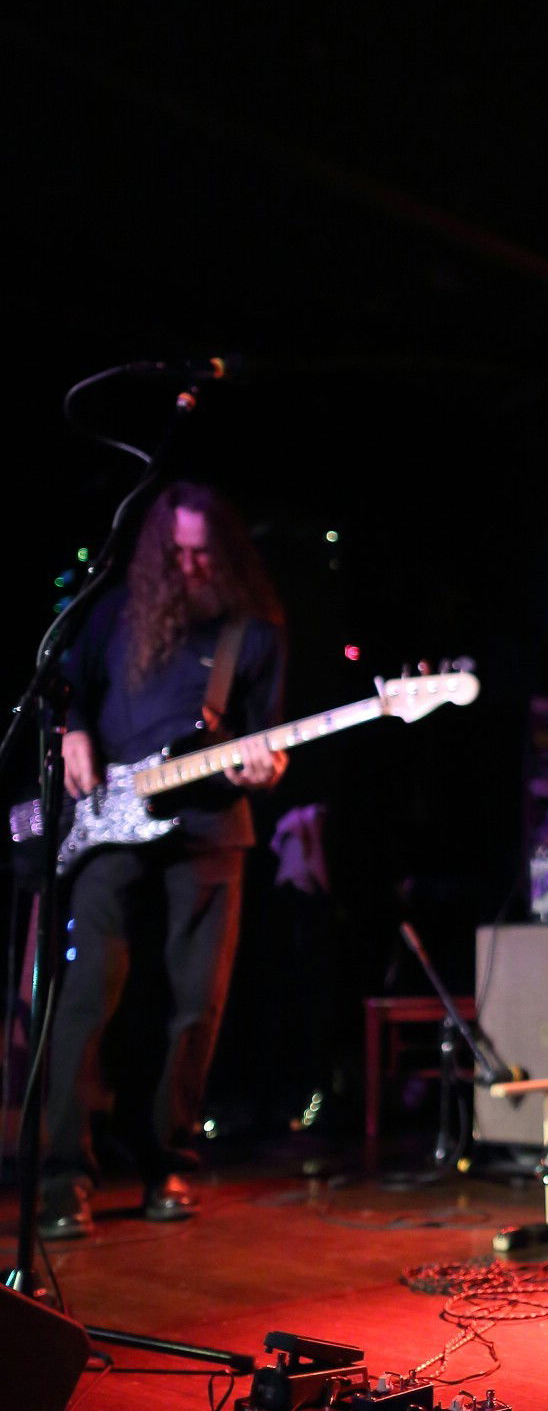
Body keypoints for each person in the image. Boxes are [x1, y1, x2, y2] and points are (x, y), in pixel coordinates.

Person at [38, 482, 287, 1239]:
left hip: (210, 829)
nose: (190, 567)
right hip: (107, 823)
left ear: (226, 552)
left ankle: (168, 1163)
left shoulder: (255, 633)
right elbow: (67, 687)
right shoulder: (113, 612)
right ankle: (63, 1176)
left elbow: (264, 737)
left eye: (202, 553)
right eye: (176, 553)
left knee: (194, 1004)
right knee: (88, 995)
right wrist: (74, 733)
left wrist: (263, 769)